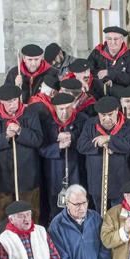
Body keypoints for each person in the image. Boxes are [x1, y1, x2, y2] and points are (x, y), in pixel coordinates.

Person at [0, 84, 43, 223]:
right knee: (4, 215)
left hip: (27, 176)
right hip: (3, 177)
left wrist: (20, 131)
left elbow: (38, 140)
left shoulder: (30, 113)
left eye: (14, 100)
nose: (12, 105)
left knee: (30, 214)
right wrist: (5, 136)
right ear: (1, 102)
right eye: (8, 102)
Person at [77, 96, 130, 211]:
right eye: (103, 115)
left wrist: (110, 140)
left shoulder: (127, 125)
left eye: (110, 114)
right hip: (97, 181)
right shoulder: (90, 124)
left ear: (116, 111)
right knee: (99, 215)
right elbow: (81, 146)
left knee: (118, 216)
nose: (106, 119)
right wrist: (99, 144)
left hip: (120, 181)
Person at [39, 92, 87, 220]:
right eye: (61, 109)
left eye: (67, 108)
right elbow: (41, 149)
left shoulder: (82, 120)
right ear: (54, 108)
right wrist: (57, 147)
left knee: (79, 210)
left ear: (73, 106)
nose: (64, 112)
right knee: (57, 212)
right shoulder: (47, 122)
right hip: (55, 174)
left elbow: (87, 144)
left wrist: (73, 137)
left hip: (77, 172)